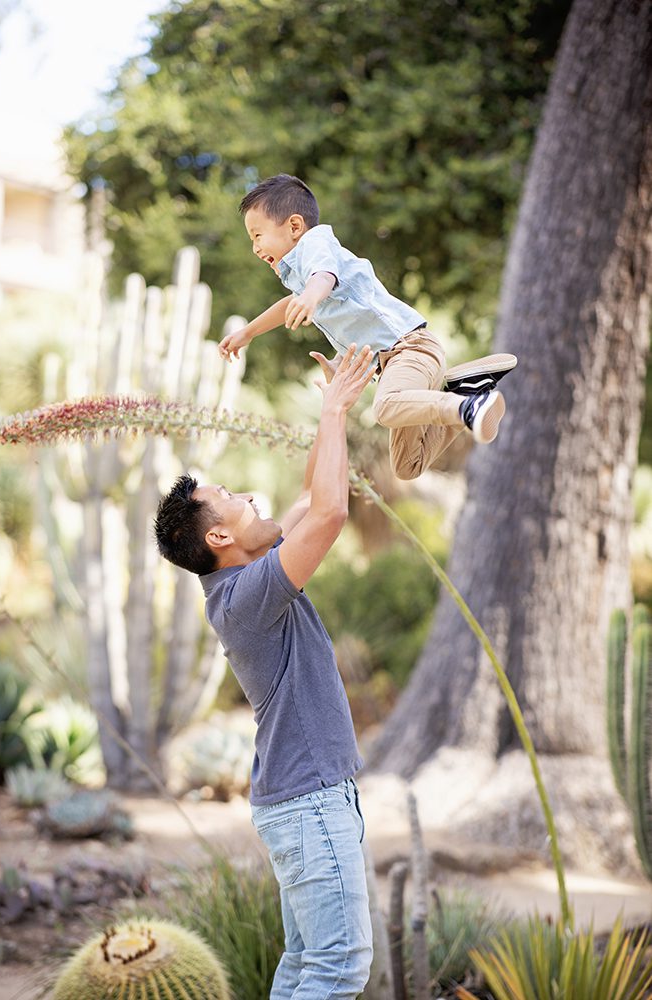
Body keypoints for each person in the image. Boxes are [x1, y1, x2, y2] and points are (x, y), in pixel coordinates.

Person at [154, 345, 375, 999]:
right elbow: (331, 513)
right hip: (308, 803)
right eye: (233, 499)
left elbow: (312, 494)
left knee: (306, 967)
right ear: (218, 539)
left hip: (303, 800)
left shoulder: (248, 577)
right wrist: (335, 410)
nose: (252, 496)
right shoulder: (247, 597)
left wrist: (330, 409)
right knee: (336, 969)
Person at [218, 172, 517, 480]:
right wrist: (249, 332)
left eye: (257, 235)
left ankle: (469, 407)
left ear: (294, 226)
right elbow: (290, 305)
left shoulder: (315, 244)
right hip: (394, 365)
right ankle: (462, 391)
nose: (254, 247)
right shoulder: (302, 279)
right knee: (407, 467)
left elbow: (324, 275)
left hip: (409, 349)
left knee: (385, 408)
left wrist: (309, 296)